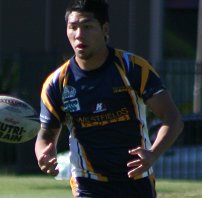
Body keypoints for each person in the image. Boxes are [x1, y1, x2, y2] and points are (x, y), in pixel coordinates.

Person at [35, 0, 184, 197]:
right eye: (73, 27)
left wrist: (153, 154)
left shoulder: (133, 68)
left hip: (135, 179)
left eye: (87, 26)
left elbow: (172, 119)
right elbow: (46, 135)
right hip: (87, 182)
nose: (79, 35)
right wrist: (43, 154)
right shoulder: (57, 83)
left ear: (105, 29)